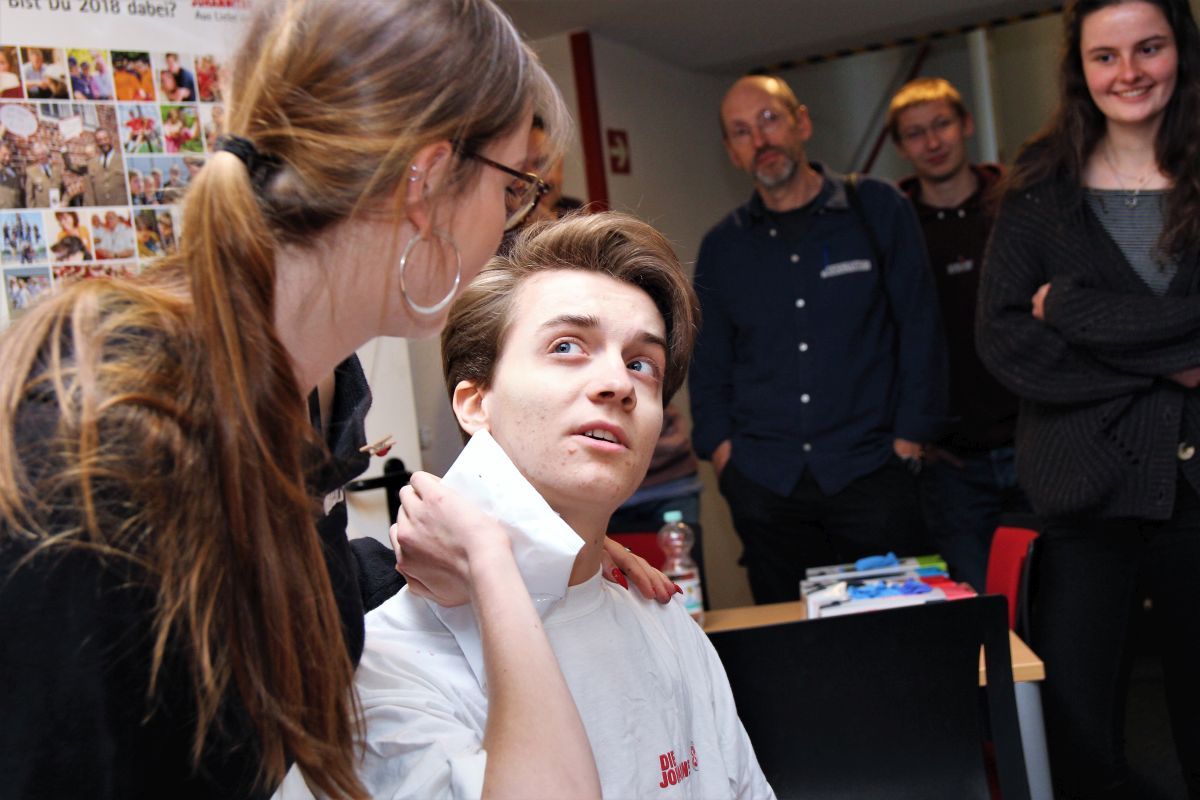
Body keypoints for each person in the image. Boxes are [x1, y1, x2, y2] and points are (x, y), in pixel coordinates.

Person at [0, 1, 662, 798]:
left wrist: (531, 547)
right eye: (514, 187)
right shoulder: (97, 444)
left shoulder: (315, 399)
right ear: (426, 181)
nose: (509, 227)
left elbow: (292, 588)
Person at [357, 212, 775, 799]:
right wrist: (492, 563)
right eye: (567, 346)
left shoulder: (667, 627)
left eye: (642, 364)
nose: (619, 384)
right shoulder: (388, 668)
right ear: (475, 403)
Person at [977, 0, 1200, 795]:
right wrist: (1173, 363)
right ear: (1079, 67)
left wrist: (1072, 310)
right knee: (1077, 727)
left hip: (1196, 492)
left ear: (1182, 50)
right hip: (1083, 492)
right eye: (1106, 56)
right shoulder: (1041, 187)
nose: (1129, 73)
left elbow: (1049, 325)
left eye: (1150, 48)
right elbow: (1005, 338)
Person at [690, 74, 949, 604]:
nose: (760, 139)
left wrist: (909, 441)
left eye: (769, 119)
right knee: (789, 641)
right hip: (766, 485)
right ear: (732, 152)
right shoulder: (723, 247)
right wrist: (724, 454)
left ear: (801, 123)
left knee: (895, 631)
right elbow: (708, 363)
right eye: (742, 131)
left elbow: (921, 329)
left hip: (874, 473)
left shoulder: (876, 208)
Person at [887, 77, 1029, 592]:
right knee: (977, 606)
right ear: (902, 147)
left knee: (1053, 599)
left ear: (966, 124)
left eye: (942, 124)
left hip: (1035, 444)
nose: (933, 141)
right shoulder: (894, 226)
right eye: (916, 133)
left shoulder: (1017, 203)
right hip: (950, 463)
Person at [71, 129, 127, 207]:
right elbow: (90, 194)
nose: (103, 142)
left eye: (105, 139)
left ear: (110, 139)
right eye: (100, 140)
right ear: (97, 143)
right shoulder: (92, 164)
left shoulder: (123, 160)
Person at [23, 143, 65, 208]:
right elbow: (29, 195)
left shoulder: (56, 170)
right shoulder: (31, 172)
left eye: (42, 154)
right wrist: (32, 210)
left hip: (57, 208)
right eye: (38, 155)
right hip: (41, 209)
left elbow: (65, 189)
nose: (40, 157)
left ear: (47, 154)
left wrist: (64, 202)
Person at [0, 141, 23, 208]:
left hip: (13, 211)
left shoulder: (15, 172)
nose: (7, 158)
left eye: (10, 155)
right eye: (4, 155)